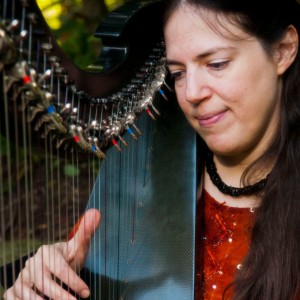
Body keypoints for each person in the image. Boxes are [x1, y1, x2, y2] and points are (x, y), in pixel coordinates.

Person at [3, 0, 300, 299]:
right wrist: (45, 282)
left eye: (216, 64)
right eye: (178, 73)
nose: (192, 93)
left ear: (283, 50)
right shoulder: (146, 179)